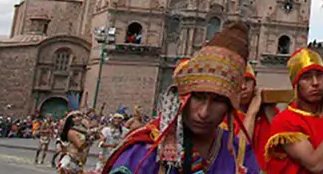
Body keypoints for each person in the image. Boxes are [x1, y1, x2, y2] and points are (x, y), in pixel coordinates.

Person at [101, 22, 260, 174]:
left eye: (218, 101)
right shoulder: (144, 150)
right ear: (182, 98)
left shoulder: (239, 155)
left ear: (230, 106)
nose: (204, 113)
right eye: (198, 97)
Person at [264, 48, 323, 174]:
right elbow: (315, 165)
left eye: (319, 76)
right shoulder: (285, 121)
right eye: (306, 77)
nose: (315, 83)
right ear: (296, 84)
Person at [235, 62, 278, 171]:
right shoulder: (224, 116)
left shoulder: (267, 111)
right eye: (237, 81)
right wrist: (252, 111)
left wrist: (270, 111)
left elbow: (285, 147)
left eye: (247, 80)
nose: (243, 86)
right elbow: (239, 150)